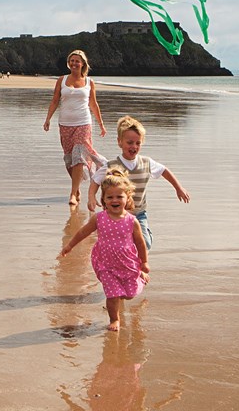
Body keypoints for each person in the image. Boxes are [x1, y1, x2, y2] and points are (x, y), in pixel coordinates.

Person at [59, 169, 149, 331]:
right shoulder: (99, 218)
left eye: (119, 196)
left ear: (127, 198)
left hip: (127, 263)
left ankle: (140, 278)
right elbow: (82, 232)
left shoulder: (132, 221)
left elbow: (141, 243)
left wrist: (144, 263)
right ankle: (114, 319)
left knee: (129, 294)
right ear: (104, 200)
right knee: (112, 294)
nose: (114, 200)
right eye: (110, 197)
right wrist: (70, 245)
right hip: (105, 263)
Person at [86, 116, 190, 250]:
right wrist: (91, 197)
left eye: (138, 143)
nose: (134, 146)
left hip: (138, 213)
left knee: (144, 244)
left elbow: (164, 171)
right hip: (114, 213)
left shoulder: (146, 162)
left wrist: (178, 188)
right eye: (129, 142)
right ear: (120, 142)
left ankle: (146, 237)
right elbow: (95, 180)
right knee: (115, 244)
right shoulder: (111, 165)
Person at [42, 49, 106, 207]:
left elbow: (93, 103)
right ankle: (76, 188)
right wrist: (48, 119)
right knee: (69, 159)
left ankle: (72, 194)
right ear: (68, 63)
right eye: (72, 61)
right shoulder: (62, 80)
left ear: (83, 63)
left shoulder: (89, 82)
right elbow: (55, 100)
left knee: (78, 155)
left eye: (77, 61)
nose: (74, 63)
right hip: (65, 124)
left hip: (84, 123)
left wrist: (101, 124)